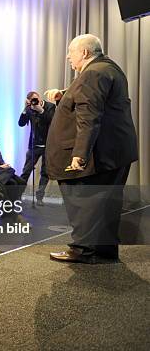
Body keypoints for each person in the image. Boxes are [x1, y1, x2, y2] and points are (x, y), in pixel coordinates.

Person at [46, 34, 138, 264]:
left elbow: (89, 115)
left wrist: (79, 154)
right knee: (105, 204)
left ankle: (84, 250)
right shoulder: (108, 69)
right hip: (114, 152)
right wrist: (63, 96)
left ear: (85, 53)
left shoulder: (92, 73)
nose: (68, 56)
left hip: (98, 155)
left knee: (85, 201)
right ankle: (104, 252)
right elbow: (94, 102)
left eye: (71, 51)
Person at [18, 91, 56, 205]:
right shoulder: (29, 108)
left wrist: (41, 111)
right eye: (32, 100)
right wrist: (26, 109)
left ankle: (40, 198)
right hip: (34, 145)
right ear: (29, 101)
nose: (36, 101)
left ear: (39, 97)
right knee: (26, 171)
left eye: (36, 99)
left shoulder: (50, 106)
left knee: (45, 172)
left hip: (48, 144)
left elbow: (52, 121)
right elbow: (21, 123)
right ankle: (18, 195)